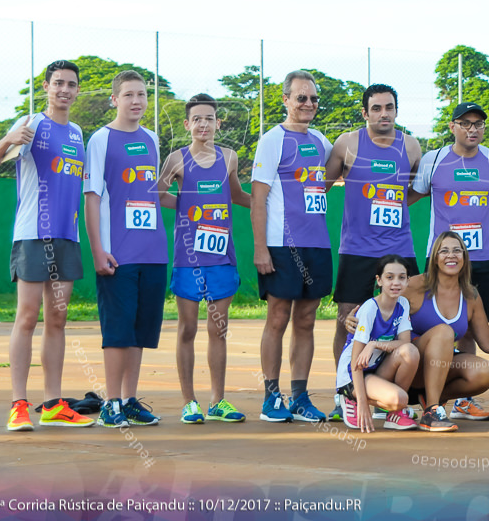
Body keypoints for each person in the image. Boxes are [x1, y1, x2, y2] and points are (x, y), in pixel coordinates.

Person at [0, 60, 94, 431]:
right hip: (32, 233)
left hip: (66, 236)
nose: (64, 89)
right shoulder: (29, 124)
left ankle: (55, 404)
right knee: (27, 317)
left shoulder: (77, 132)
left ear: (77, 91)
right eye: (58, 83)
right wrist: (7, 140)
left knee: (57, 319)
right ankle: (18, 405)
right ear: (45, 87)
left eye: (71, 84)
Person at [345, 231, 489, 431]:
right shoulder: (415, 286)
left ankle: (429, 398)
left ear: (464, 257)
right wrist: (352, 319)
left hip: (436, 368)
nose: (451, 255)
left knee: (484, 372)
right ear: (435, 258)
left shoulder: (470, 295)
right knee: (444, 331)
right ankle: (432, 412)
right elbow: (379, 305)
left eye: (456, 251)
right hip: (403, 366)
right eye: (444, 251)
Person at [410, 101, 489, 420]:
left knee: (471, 327)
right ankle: (411, 388)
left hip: (481, 257)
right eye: (465, 123)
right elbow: (415, 193)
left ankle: (461, 400)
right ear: (452, 126)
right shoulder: (434, 159)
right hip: (439, 259)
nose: (473, 129)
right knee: (431, 324)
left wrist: (484, 211)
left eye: (478, 124)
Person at [325, 84, 422, 420]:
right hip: (357, 249)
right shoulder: (347, 144)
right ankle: (344, 392)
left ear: (396, 110)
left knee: (410, 318)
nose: (384, 114)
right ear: (365, 113)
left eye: (390, 108)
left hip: (399, 247)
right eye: (377, 108)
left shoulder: (410, 146)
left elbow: (414, 190)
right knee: (347, 321)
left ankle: (397, 391)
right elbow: (321, 185)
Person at [84, 70, 171, 427]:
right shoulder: (100, 140)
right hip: (117, 253)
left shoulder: (151, 138)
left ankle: (130, 400)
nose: (137, 101)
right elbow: (92, 200)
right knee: (117, 330)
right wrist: (98, 250)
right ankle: (111, 402)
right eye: (129, 95)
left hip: (153, 251)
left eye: (142, 95)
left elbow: (157, 194)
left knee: (140, 330)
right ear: (115, 99)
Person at [159, 93, 251, 424]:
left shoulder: (229, 157)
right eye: (196, 119)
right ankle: (189, 402)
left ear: (218, 123)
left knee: (218, 330)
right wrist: (183, 204)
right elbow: (156, 194)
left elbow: (237, 194)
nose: (203, 124)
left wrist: (269, 206)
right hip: (188, 258)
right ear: (187, 124)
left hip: (221, 257)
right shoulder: (176, 159)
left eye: (209, 118)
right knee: (187, 329)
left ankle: (218, 401)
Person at [251, 71, 334, 423]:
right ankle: (272, 397)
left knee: (307, 319)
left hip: (316, 244)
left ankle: (299, 398)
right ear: (285, 100)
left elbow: (327, 182)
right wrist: (260, 249)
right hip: (281, 245)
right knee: (278, 318)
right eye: (301, 98)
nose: (308, 104)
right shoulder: (272, 140)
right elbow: (257, 199)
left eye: (313, 99)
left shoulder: (321, 141)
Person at [337, 255, 419, 433]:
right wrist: (363, 403)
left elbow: (405, 342)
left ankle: (394, 415)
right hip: (353, 375)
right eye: (389, 277)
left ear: (407, 281)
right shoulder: (370, 308)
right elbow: (355, 362)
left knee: (411, 351)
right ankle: (349, 398)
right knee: (400, 398)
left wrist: (374, 345)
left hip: (374, 369)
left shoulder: (403, 303)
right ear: (379, 280)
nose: (395, 283)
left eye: (401, 277)